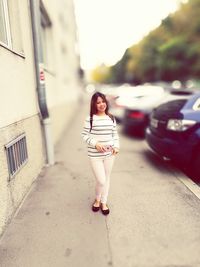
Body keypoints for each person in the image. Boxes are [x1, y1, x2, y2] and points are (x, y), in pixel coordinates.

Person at [81, 92, 120, 215]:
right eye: (98, 102)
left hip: (110, 154)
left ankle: (103, 201)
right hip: (95, 155)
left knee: (107, 178)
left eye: (103, 101)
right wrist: (96, 144)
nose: (101, 104)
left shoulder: (111, 118)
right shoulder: (90, 119)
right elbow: (84, 135)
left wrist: (116, 147)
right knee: (101, 180)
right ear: (94, 104)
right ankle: (97, 198)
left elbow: (115, 135)